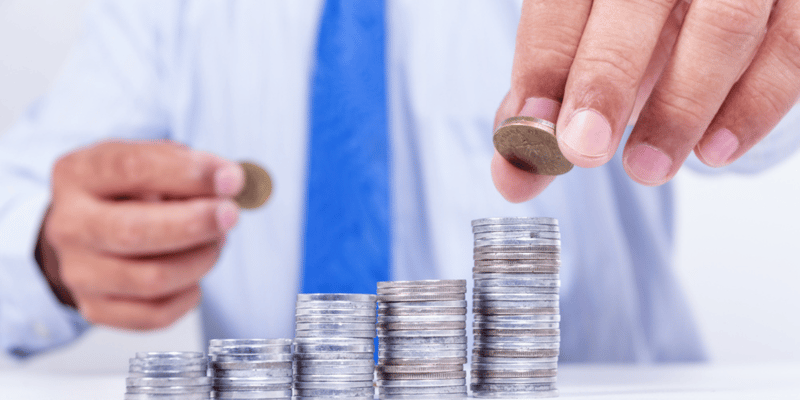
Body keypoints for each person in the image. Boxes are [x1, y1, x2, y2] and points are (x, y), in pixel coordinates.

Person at [1, 0, 798, 363]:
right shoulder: (158, 14)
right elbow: (25, 198)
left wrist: (757, 37)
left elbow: (762, 115)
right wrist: (49, 247)